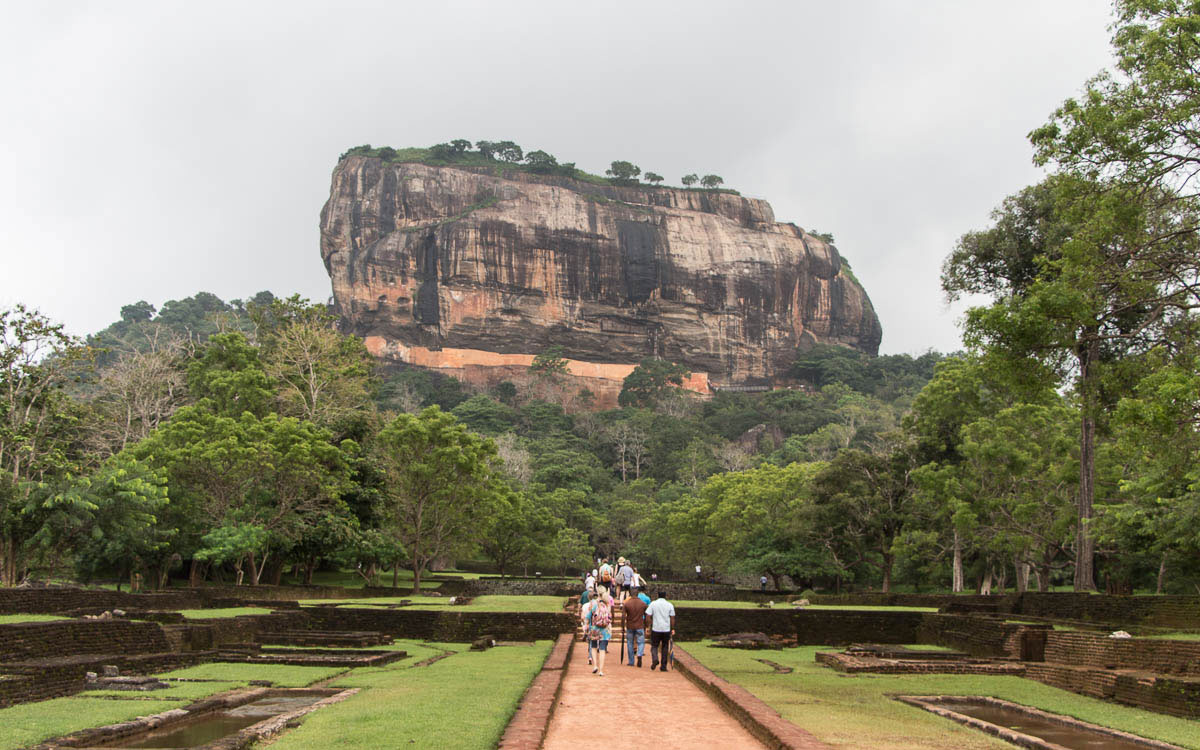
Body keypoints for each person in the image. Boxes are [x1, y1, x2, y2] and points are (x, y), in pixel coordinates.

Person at [584, 585, 614, 676]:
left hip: (595, 629)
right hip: (604, 630)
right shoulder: (607, 604)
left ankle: (595, 666)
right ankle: (601, 670)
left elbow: (588, 616)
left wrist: (586, 625)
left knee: (593, 647)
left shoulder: (594, 604)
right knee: (602, 650)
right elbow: (609, 617)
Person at [645, 590, 676, 672]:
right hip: (666, 629)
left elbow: (648, 616)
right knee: (665, 647)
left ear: (658, 595)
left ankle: (655, 658)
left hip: (656, 628)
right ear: (665, 596)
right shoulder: (669, 605)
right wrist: (672, 628)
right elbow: (672, 618)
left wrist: (648, 626)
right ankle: (663, 666)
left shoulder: (653, 604)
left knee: (654, 646)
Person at [622, 586, 648, 667]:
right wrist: (647, 626)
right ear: (638, 594)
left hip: (630, 626)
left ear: (630, 594)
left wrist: (622, 627)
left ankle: (631, 661)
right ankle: (639, 654)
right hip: (640, 625)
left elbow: (623, 616)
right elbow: (647, 616)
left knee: (630, 643)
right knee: (641, 642)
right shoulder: (643, 604)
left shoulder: (627, 603)